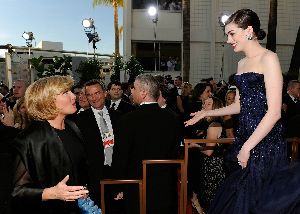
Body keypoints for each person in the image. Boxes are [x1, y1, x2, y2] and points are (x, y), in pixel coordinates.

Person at [185, 9, 299, 213]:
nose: (228, 40)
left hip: (265, 142)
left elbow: (274, 113)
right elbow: (239, 105)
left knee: (257, 202)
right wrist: (206, 113)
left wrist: (247, 147)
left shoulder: (269, 58)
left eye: (232, 33)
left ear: (248, 30)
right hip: (245, 137)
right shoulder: (241, 63)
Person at [10, 75, 89, 214]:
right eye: (65, 93)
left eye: (71, 91)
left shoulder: (73, 127)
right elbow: (17, 192)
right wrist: (53, 193)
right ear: (47, 101)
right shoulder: (29, 139)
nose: (73, 96)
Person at [112, 74, 183, 214]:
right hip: (166, 187)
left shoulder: (127, 120)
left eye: (134, 88)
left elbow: (121, 157)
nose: (131, 91)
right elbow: (175, 151)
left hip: (137, 187)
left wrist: (117, 186)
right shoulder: (173, 118)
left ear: (144, 93)